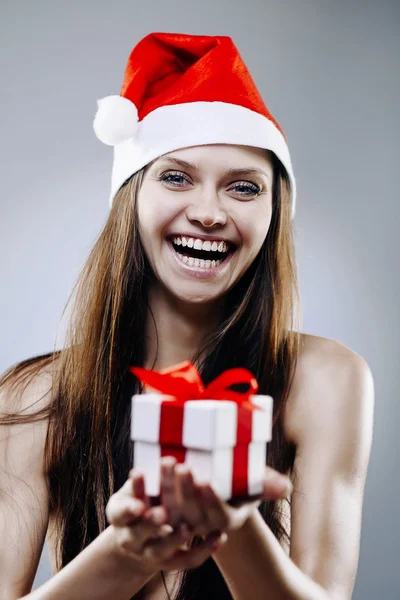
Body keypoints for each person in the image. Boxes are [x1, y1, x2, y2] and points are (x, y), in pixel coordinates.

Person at [0, 32, 374, 600]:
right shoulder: (32, 400)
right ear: (132, 196)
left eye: (244, 188)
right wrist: (126, 552)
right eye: (176, 177)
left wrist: (235, 522)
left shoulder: (327, 379)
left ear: (274, 214)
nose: (208, 213)